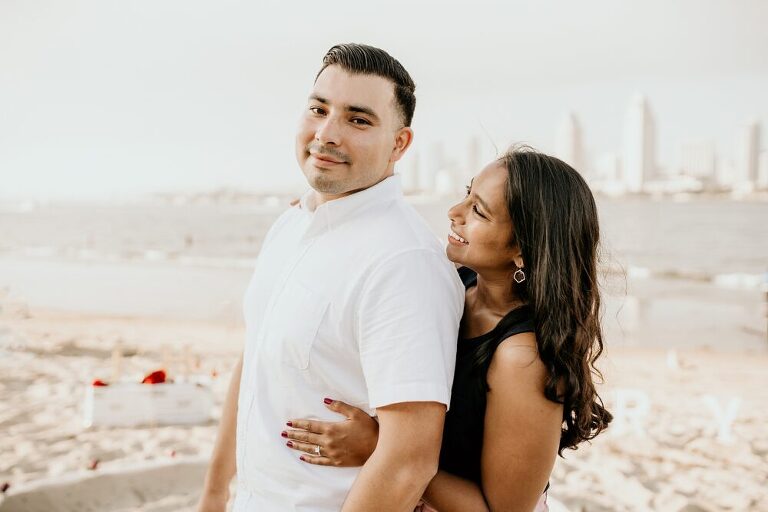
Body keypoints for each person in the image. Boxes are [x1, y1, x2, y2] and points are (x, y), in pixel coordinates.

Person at [196, 43, 465, 512]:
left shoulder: (403, 263)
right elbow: (256, 358)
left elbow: (409, 460)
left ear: (399, 144)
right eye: (319, 109)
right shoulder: (291, 224)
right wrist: (215, 494)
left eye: (358, 120)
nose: (326, 133)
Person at [283, 147, 613, 511]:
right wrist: (328, 218)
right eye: (467, 194)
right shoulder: (459, 283)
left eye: (478, 211)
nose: (454, 213)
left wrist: (381, 446)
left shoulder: (523, 359)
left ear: (522, 249)